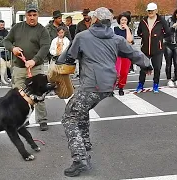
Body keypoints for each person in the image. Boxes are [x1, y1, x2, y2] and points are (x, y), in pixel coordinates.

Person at [60, 7, 153, 177]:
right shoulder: (116, 38)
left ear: (94, 20)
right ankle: (85, 142)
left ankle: (80, 159)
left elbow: (68, 57)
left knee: (69, 118)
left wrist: (60, 62)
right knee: (82, 109)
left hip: (91, 84)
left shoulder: (82, 36)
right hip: (108, 85)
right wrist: (147, 65)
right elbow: (133, 53)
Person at [4, 4, 51, 131]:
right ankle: (23, 119)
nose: (32, 17)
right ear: (25, 16)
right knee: (19, 95)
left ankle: (42, 120)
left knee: (39, 95)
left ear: (37, 15)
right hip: (19, 68)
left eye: (34, 15)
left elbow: (45, 47)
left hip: (36, 68)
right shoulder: (17, 27)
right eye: (29, 15)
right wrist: (12, 48)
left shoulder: (42, 30)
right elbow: (6, 41)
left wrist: (34, 60)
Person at [135, 2, 170, 93]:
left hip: (157, 49)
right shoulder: (143, 21)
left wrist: (159, 38)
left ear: (156, 11)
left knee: (157, 67)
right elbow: (139, 32)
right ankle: (140, 85)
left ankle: (156, 85)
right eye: (149, 11)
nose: (150, 12)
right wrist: (145, 36)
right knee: (143, 68)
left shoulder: (161, 21)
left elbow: (168, 32)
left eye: (152, 11)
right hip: (145, 49)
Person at [114, 12, 134, 96]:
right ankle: (111, 87)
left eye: (125, 20)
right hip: (117, 53)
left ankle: (121, 87)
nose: (123, 21)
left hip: (126, 54)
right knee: (116, 72)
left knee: (124, 72)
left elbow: (129, 40)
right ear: (119, 20)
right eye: (122, 20)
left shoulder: (129, 30)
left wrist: (127, 29)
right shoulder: (115, 29)